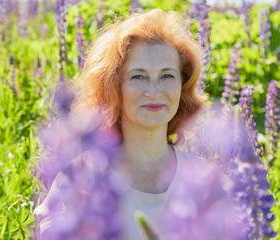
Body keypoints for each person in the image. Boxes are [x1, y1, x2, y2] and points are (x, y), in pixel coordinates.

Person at [34, 9, 207, 239]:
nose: (154, 91)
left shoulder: (204, 180)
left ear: (182, 86)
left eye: (167, 76)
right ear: (114, 87)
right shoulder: (80, 176)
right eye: (138, 76)